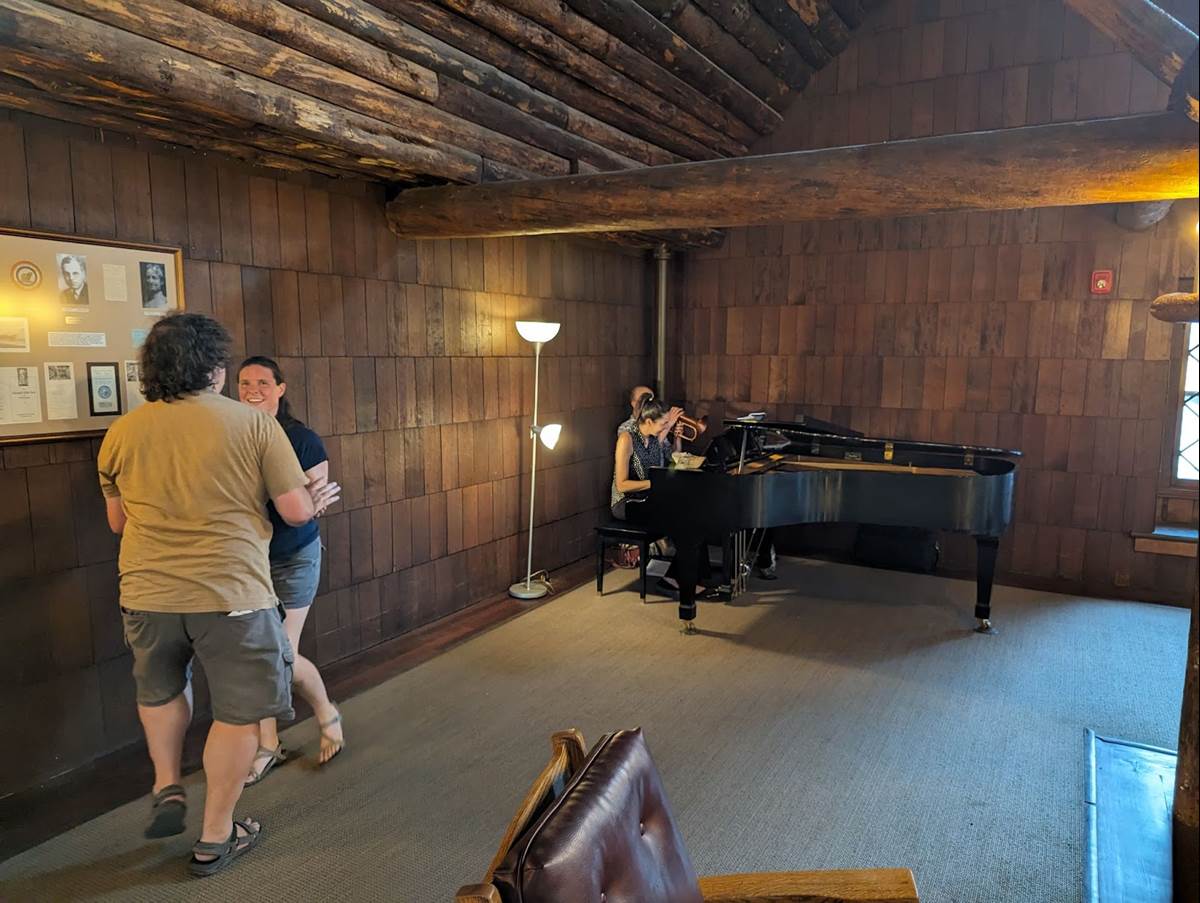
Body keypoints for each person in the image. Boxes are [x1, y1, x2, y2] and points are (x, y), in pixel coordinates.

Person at [97, 313, 338, 878]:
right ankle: (214, 836)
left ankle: (166, 782)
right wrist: (315, 499)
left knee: (161, 691)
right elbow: (296, 510)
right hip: (231, 591)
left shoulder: (122, 433)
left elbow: (117, 522)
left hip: (147, 591)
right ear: (214, 368)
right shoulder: (253, 426)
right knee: (237, 713)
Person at [237, 355, 344, 785]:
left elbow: (307, 510)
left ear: (281, 388)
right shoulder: (234, 435)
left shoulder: (302, 439)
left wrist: (300, 510)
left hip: (295, 557)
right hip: (249, 561)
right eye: (244, 382)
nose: (252, 390)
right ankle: (270, 743)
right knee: (259, 656)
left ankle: (325, 711)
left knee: (279, 654)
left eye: (263, 382)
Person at [611, 396, 710, 595]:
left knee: (696, 517)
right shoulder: (626, 439)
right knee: (683, 521)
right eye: (664, 423)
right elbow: (622, 484)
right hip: (626, 503)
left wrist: (677, 439)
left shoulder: (654, 439)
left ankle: (693, 575)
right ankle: (672, 579)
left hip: (649, 498)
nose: (668, 426)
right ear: (648, 421)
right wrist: (657, 483)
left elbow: (670, 463)